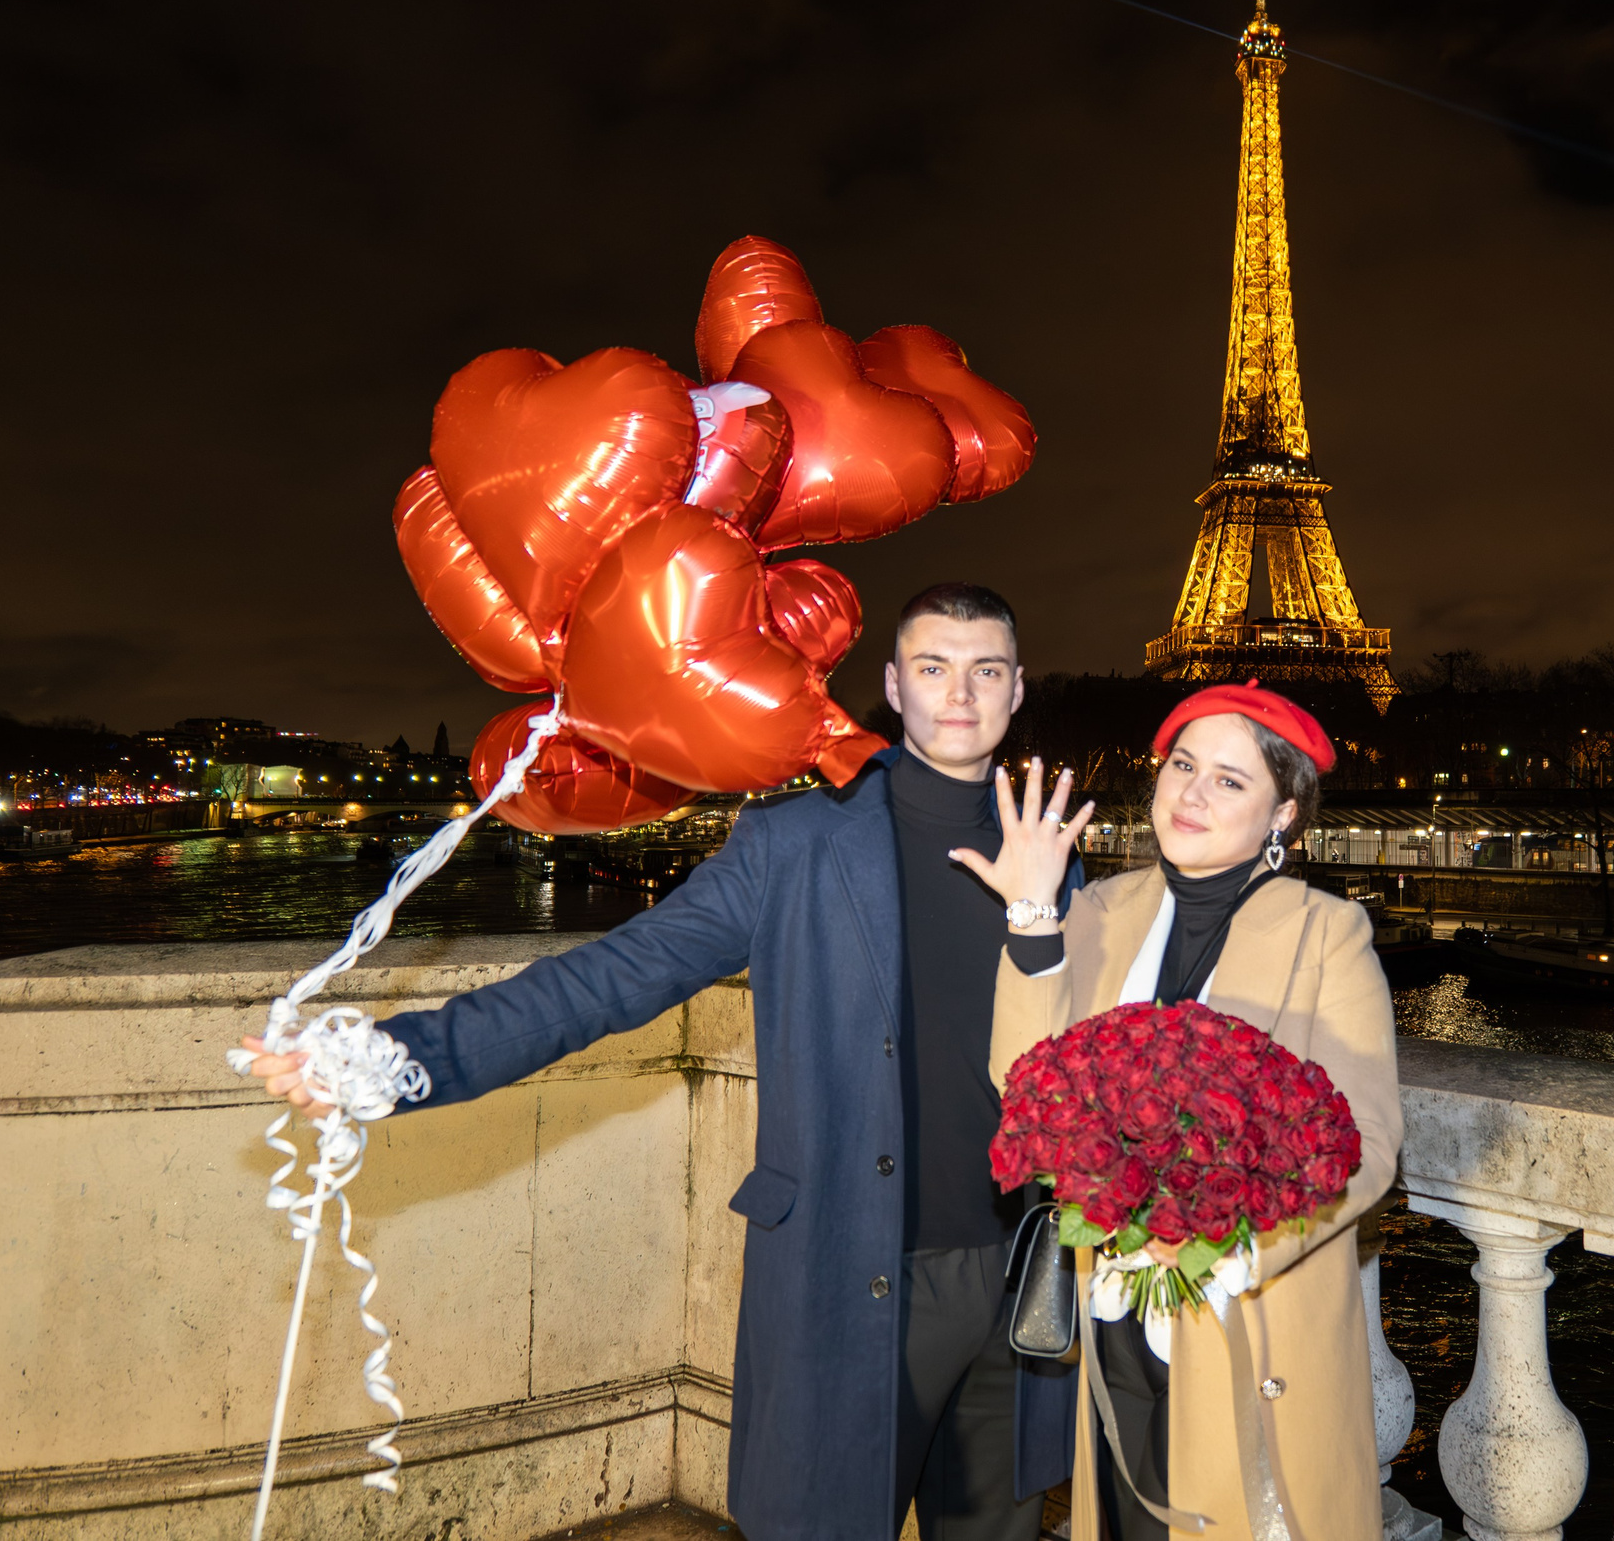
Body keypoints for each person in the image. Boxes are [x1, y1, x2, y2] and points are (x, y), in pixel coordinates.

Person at [241, 583, 1081, 1541]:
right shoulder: (794, 842)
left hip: (1021, 1274)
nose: (960, 693)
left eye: (986, 671)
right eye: (934, 667)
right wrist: (397, 1058)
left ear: (1018, 692)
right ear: (894, 684)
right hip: (850, 1267)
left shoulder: (1058, 860)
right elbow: (612, 978)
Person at [956, 682, 1403, 1541]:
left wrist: (1237, 1241)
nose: (1192, 792)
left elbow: (1370, 1144)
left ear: (1284, 814)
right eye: (1183, 765)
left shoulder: (1328, 935)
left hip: (1251, 1319)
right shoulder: (1097, 911)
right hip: (1114, 1309)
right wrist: (1032, 915)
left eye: (1230, 780)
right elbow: (1025, 1085)